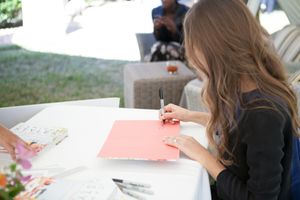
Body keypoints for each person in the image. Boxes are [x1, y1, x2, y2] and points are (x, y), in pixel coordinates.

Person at [160, 0, 300, 199]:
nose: (191, 58)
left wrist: (204, 157)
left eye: (193, 48)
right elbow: (239, 129)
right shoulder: (245, 89)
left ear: (213, 50)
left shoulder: (263, 112)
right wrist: (189, 115)